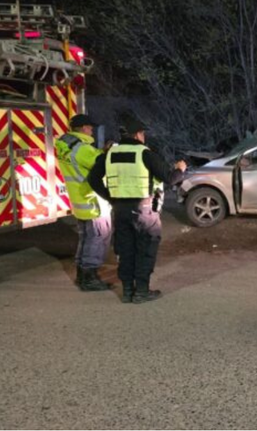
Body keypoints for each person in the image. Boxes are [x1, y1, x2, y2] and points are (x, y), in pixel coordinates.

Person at [88, 117, 187, 304]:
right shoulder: (145, 153)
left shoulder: (109, 154)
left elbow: (93, 180)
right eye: (143, 133)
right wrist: (180, 169)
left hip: (120, 210)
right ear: (138, 134)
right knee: (145, 250)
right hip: (144, 211)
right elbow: (169, 178)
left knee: (125, 251)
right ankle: (141, 291)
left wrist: (111, 197)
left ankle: (127, 292)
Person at [54, 114, 112, 291]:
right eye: (90, 127)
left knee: (86, 239)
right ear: (82, 128)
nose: (92, 130)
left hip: (79, 201)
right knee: (97, 238)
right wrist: (107, 152)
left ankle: (82, 275)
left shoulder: (65, 146)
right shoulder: (83, 149)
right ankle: (89, 279)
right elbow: (103, 165)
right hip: (93, 201)